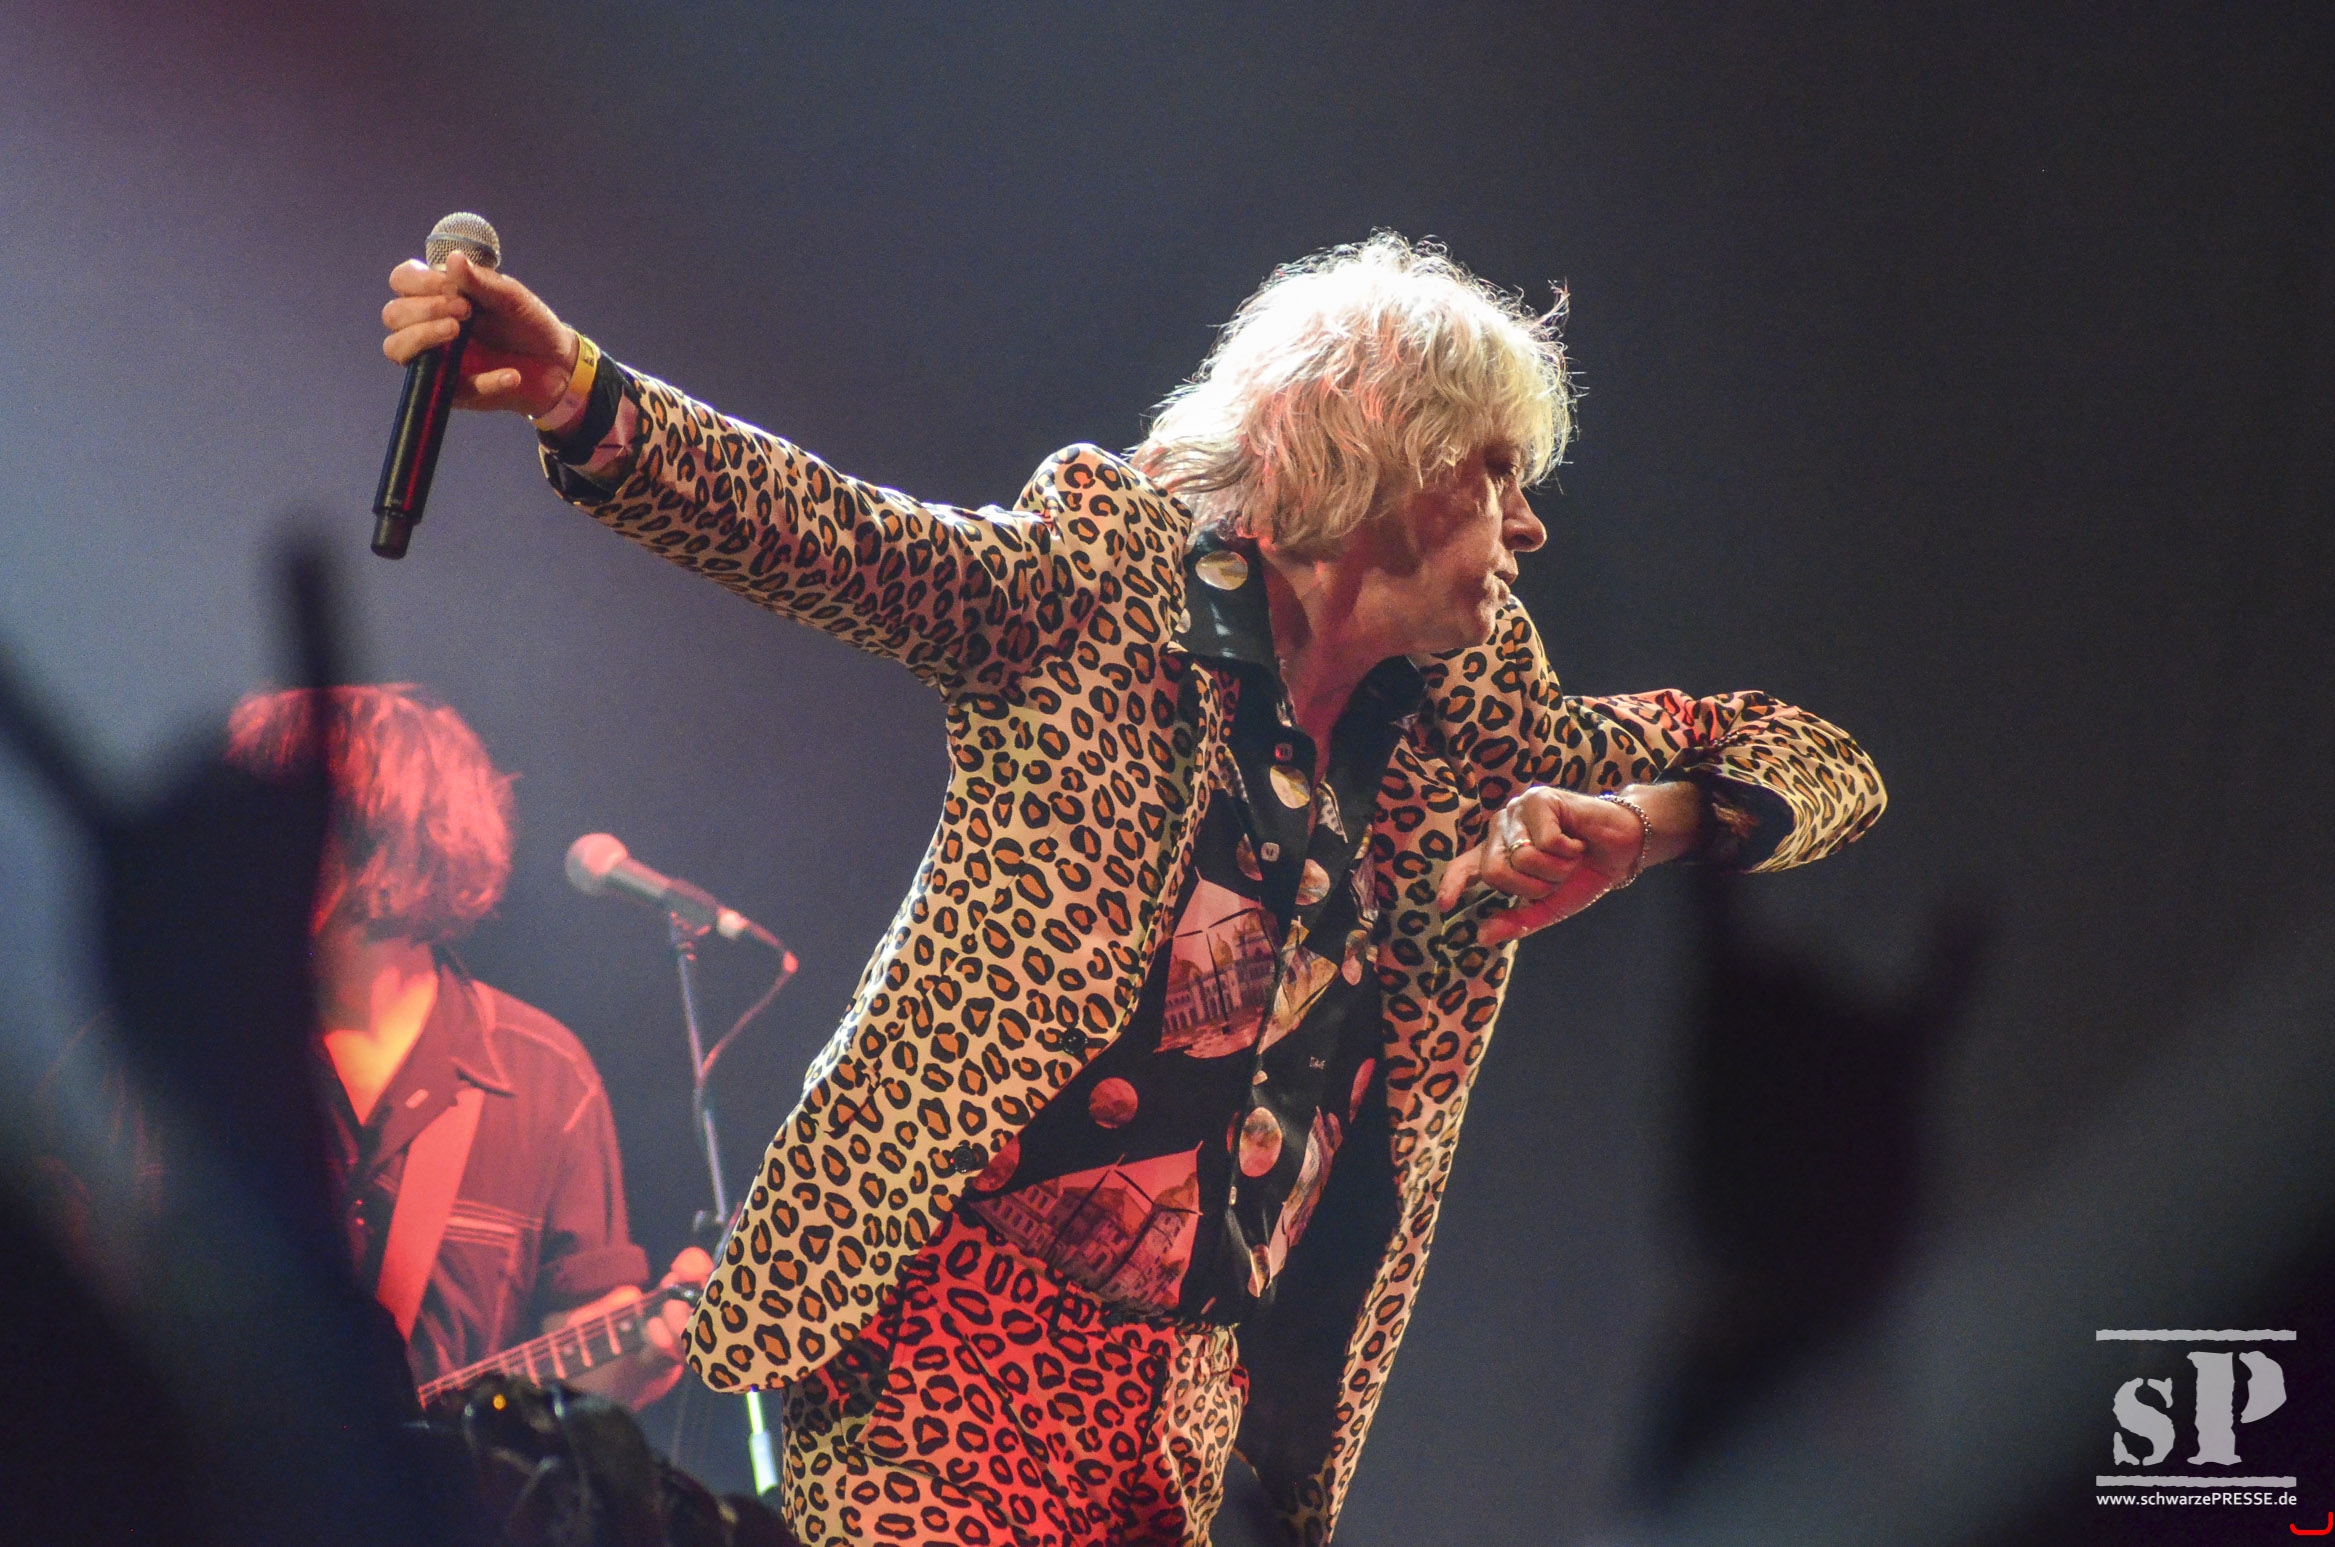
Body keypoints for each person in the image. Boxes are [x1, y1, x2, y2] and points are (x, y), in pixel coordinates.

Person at [380, 233, 1886, 1545]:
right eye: (1494, 471)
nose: (1528, 522)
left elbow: (1822, 762)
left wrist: (1638, 823)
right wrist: (579, 389)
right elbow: (837, 536)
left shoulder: (1469, 726)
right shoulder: (1104, 588)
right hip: (947, 1337)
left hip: (1186, 1408)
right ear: (1381, 448)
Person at [222, 683, 710, 1409]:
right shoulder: (168, 1050)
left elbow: (583, 1355)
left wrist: (643, 1356)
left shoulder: (544, 1075)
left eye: (286, 819)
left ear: (393, 855)